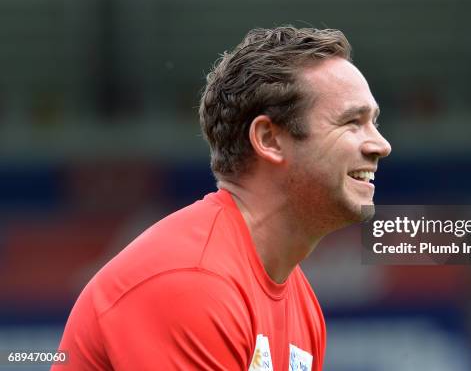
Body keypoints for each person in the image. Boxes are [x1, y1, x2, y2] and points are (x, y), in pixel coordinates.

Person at [52, 26, 391, 371]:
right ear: (269, 139)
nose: (381, 145)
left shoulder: (300, 303)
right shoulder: (191, 281)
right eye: (352, 122)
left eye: (374, 123)